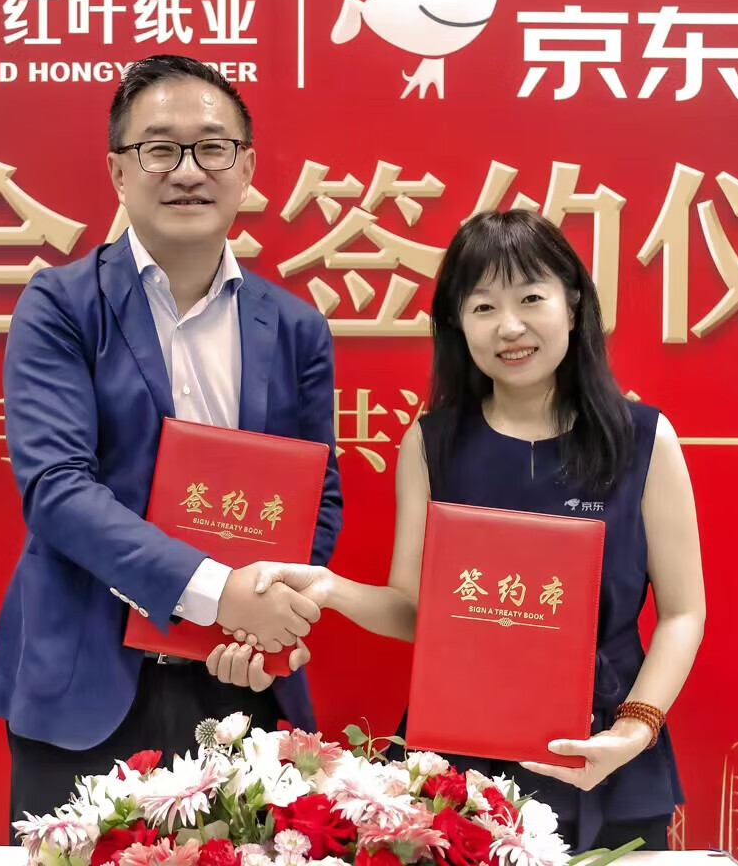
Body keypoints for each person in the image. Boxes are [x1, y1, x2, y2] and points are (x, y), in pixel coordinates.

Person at [216, 209, 705, 854]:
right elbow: (417, 611)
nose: (510, 327)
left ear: (573, 303)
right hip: (458, 773)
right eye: (483, 307)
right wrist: (331, 590)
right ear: (456, 323)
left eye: (531, 298)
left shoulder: (642, 439)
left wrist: (634, 729)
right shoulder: (431, 444)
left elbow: (682, 612)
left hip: (606, 757)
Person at [0, 55, 343, 829]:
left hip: (241, 684)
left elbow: (316, 497)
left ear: (246, 169)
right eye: (159, 149)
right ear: (119, 170)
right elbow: (57, 490)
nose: (187, 171)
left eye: (212, 148)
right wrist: (217, 593)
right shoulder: (60, 305)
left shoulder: (296, 328)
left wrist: (260, 619)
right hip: (86, 689)